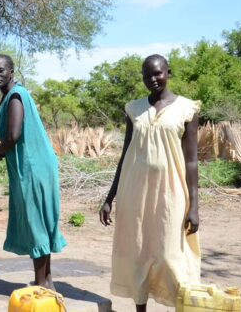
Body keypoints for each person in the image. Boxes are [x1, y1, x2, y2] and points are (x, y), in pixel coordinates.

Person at [99, 54, 201, 311]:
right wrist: (109, 199)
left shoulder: (187, 109)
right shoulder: (134, 109)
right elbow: (126, 154)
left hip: (172, 192)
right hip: (134, 190)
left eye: (157, 73)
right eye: (147, 75)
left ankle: (182, 305)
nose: (152, 79)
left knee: (170, 253)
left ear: (169, 72)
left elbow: (191, 161)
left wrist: (194, 206)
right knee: (139, 251)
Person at [0, 54, 67, 289]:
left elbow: (13, 136)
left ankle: (41, 287)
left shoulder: (16, 96)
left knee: (35, 224)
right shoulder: (12, 96)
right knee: (39, 221)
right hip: (34, 166)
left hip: (32, 169)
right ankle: (46, 280)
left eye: (1, 70)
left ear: (12, 71)